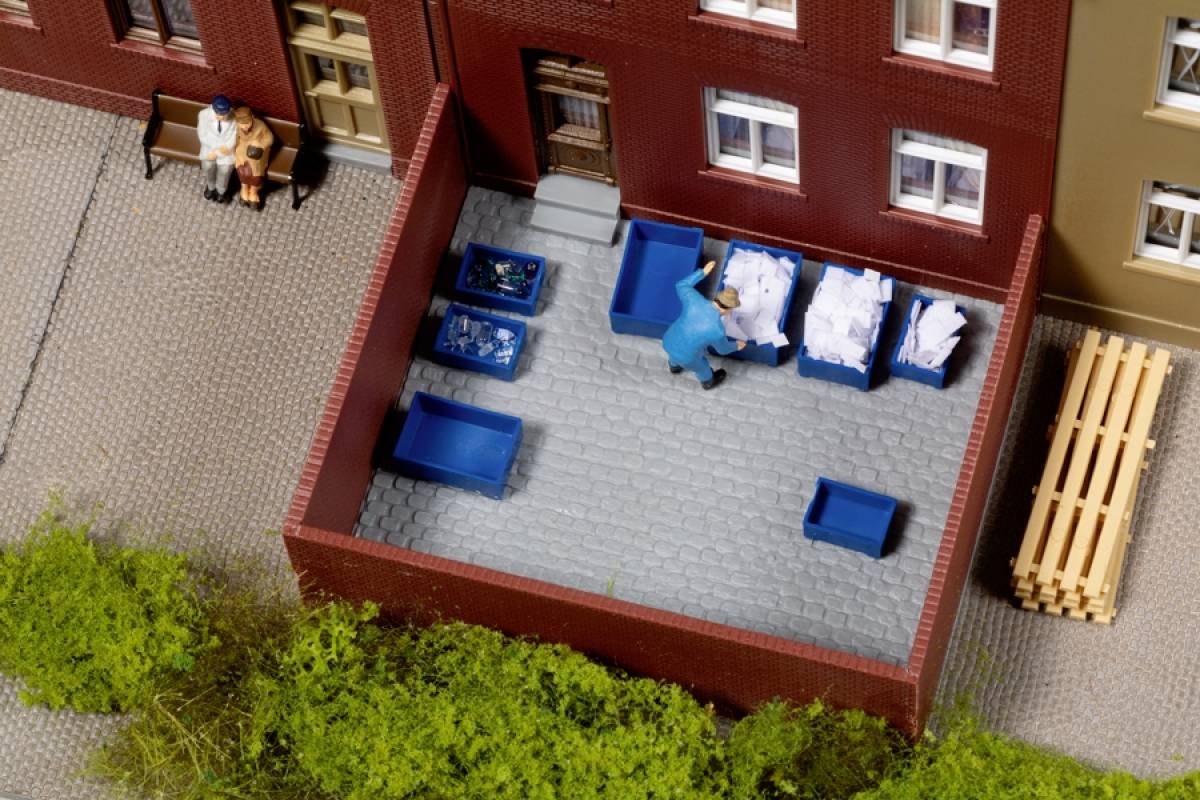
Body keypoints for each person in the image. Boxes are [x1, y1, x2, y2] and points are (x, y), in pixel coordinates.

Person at [662, 260, 746, 390]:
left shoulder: (694, 300)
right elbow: (723, 350)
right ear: (727, 309)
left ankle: (674, 367)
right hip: (688, 358)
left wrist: (702, 272)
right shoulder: (717, 330)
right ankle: (708, 382)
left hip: (668, 341)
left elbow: (681, 286)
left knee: (673, 356)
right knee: (703, 367)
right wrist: (737, 345)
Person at [233, 106, 274, 209]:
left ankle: (253, 191)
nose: (245, 127)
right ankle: (244, 188)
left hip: (257, 152)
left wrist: (260, 144)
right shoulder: (235, 127)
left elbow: (270, 137)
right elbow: (232, 140)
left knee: (255, 174)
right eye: (242, 124)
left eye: (247, 123)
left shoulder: (260, 125)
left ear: (252, 118)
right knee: (242, 170)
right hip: (242, 150)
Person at [197, 95, 236, 202]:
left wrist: (218, 153)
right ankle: (211, 187)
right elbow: (202, 135)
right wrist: (215, 151)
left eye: (224, 114)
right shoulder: (203, 115)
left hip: (226, 152)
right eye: (218, 114)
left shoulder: (234, 118)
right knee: (208, 167)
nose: (221, 117)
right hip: (209, 149)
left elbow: (234, 138)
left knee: (225, 170)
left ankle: (221, 191)